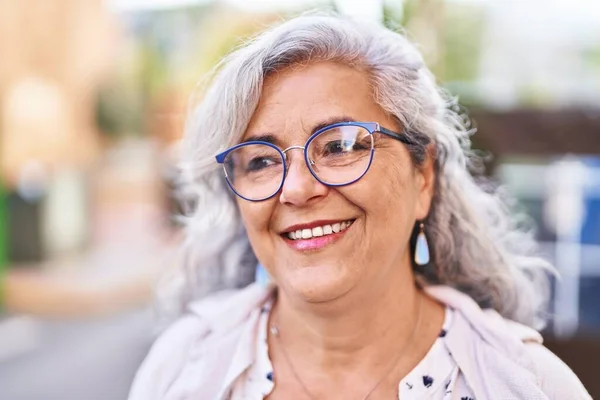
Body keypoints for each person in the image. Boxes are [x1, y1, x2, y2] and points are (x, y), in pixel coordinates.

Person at [128, 12, 591, 400]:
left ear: (423, 176)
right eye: (262, 160)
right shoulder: (181, 371)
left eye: (340, 146)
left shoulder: (530, 385)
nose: (296, 189)